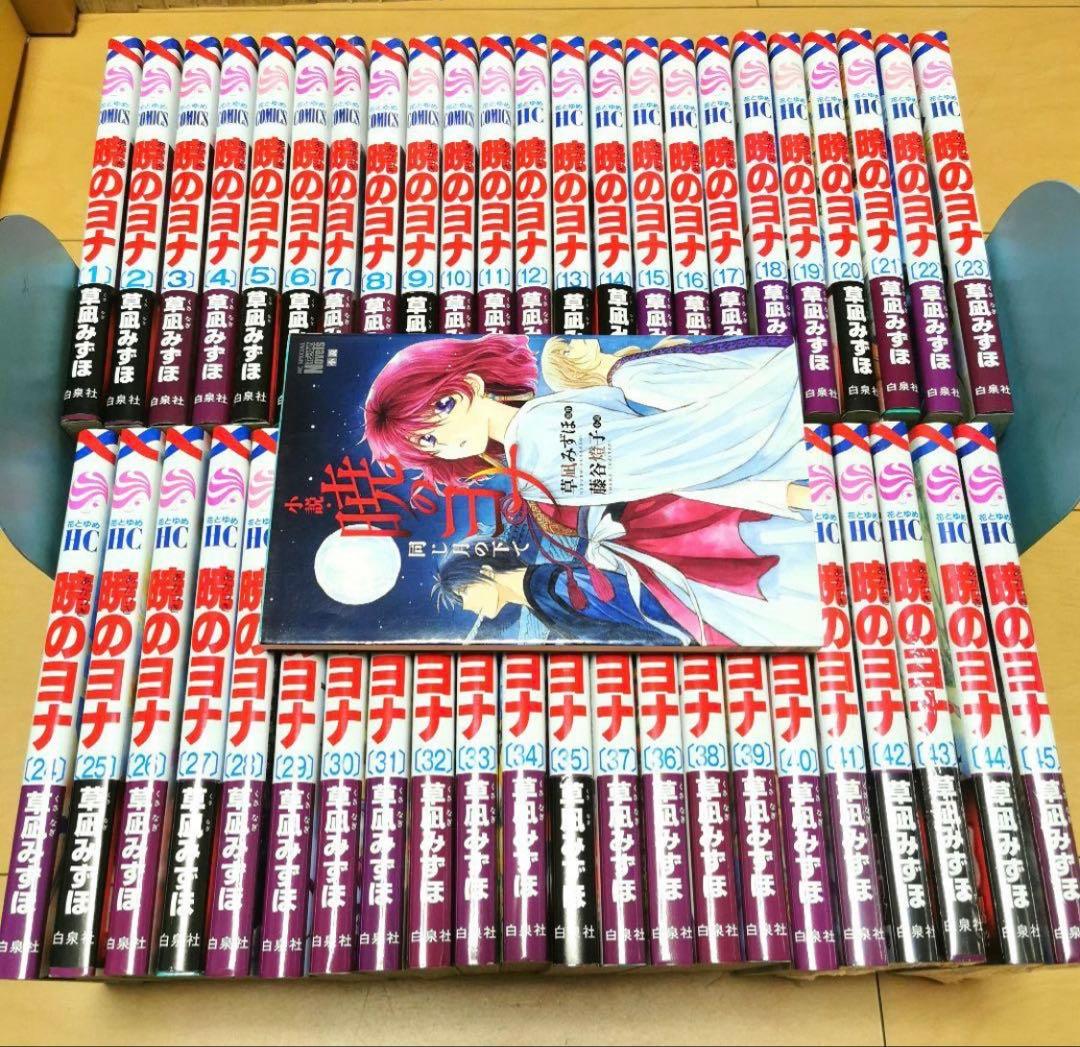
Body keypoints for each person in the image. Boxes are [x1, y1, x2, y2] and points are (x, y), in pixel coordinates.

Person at [365, 332, 819, 647]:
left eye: (440, 415)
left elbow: (671, 461)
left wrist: (778, 494)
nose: (443, 444)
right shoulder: (529, 444)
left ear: (469, 386)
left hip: (693, 532)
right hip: (674, 550)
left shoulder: (539, 436)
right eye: (427, 443)